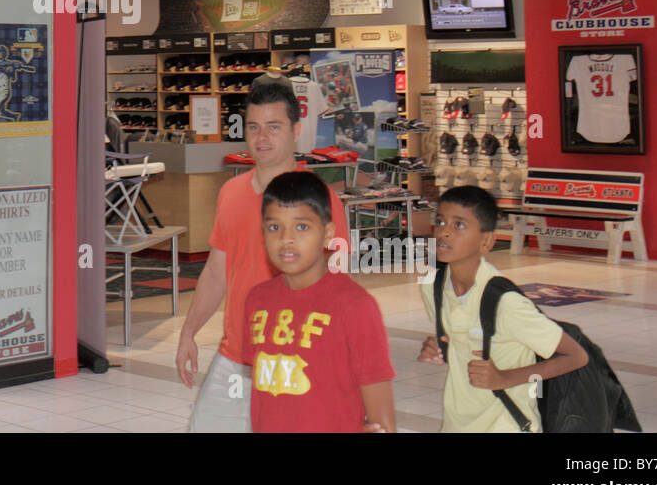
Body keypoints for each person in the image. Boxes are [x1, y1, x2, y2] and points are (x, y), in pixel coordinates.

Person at [175, 79, 349, 432]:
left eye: (274, 127)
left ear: (296, 130)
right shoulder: (231, 193)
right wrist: (188, 332)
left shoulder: (322, 201)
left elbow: (338, 290)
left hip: (296, 363)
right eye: (254, 127)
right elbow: (216, 271)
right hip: (235, 356)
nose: (262, 137)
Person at [417, 186, 589, 432]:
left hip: (507, 424)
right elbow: (460, 341)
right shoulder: (432, 286)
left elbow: (576, 357)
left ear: (486, 241)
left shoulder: (505, 303)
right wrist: (440, 347)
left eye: (459, 225)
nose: (444, 232)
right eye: (440, 221)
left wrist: (504, 379)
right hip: (458, 424)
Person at [245, 171, 395, 432]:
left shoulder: (355, 306)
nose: (286, 239)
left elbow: (382, 418)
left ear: (327, 234)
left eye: (302, 226)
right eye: (274, 227)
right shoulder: (257, 299)